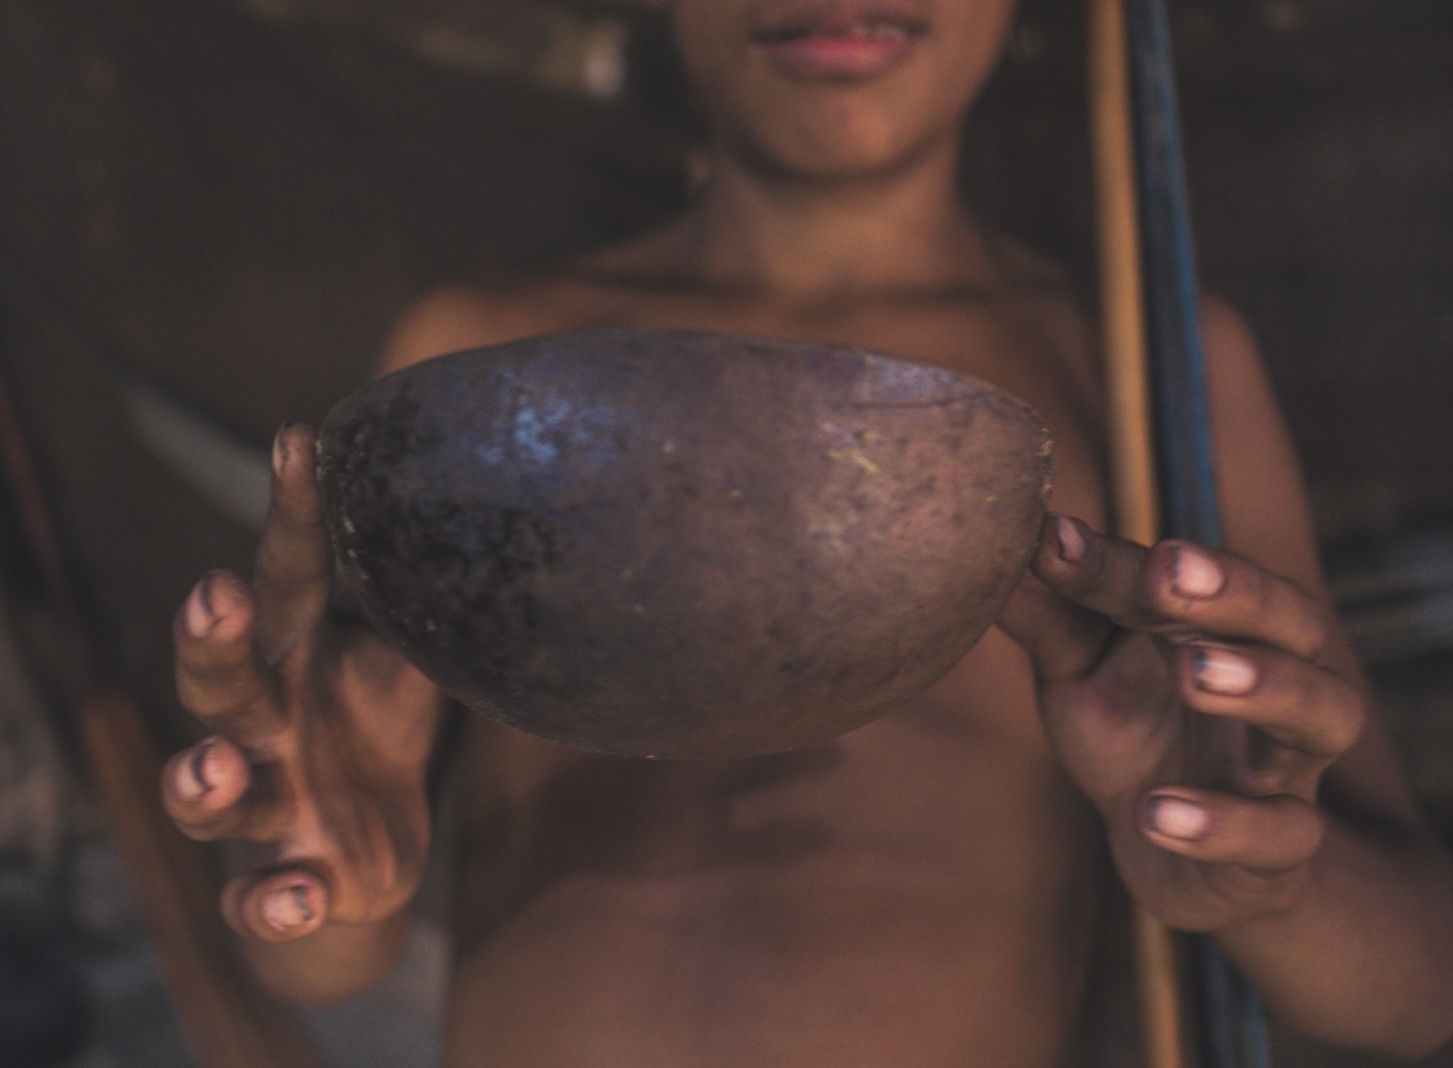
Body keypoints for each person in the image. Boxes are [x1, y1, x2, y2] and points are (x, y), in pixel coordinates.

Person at [160, 1, 1453, 1063]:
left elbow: (1419, 993)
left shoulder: (1142, 368)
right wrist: (329, 878)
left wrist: (1269, 875)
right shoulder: (478, 362)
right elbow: (327, 947)